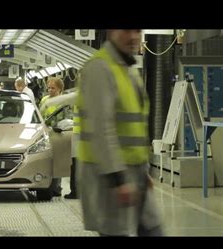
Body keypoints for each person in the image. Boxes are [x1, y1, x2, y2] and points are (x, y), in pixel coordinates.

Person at [77, 30, 163, 236]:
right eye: (126, 30)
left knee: (154, 230)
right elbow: (101, 129)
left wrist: (144, 171)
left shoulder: (127, 69)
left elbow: (134, 128)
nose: (134, 37)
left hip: (135, 175)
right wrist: (118, 180)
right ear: (111, 32)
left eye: (137, 30)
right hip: (109, 179)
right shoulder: (100, 68)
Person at [39, 77, 66, 196]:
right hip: (46, 133)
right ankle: (48, 184)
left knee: (58, 160)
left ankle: (57, 187)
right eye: (48, 88)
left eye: (53, 88)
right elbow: (40, 114)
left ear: (60, 89)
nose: (50, 90)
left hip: (59, 133)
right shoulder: (45, 100)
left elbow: (66, 118)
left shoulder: (64, 101)